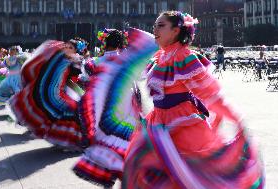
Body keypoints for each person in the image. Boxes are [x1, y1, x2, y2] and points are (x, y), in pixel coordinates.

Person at [121, 11, 264, 189]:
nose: (155, 29)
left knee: (189, 176)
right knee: (148, 173)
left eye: (161, 25)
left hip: (182, 125)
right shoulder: (159, 58)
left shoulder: (184, 57)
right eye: (155, 26)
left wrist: (235, 118)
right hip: (157, 123)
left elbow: (210, 96)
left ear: (176, 31)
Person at [73, 28, 133, 189]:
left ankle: (108, 182)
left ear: (104, 43)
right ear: (121, 44)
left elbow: (86, 84)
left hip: (102, 112)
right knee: (125, 149)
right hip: (126, 112)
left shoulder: (93, 63)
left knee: (105, 148)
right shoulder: (128, 62)